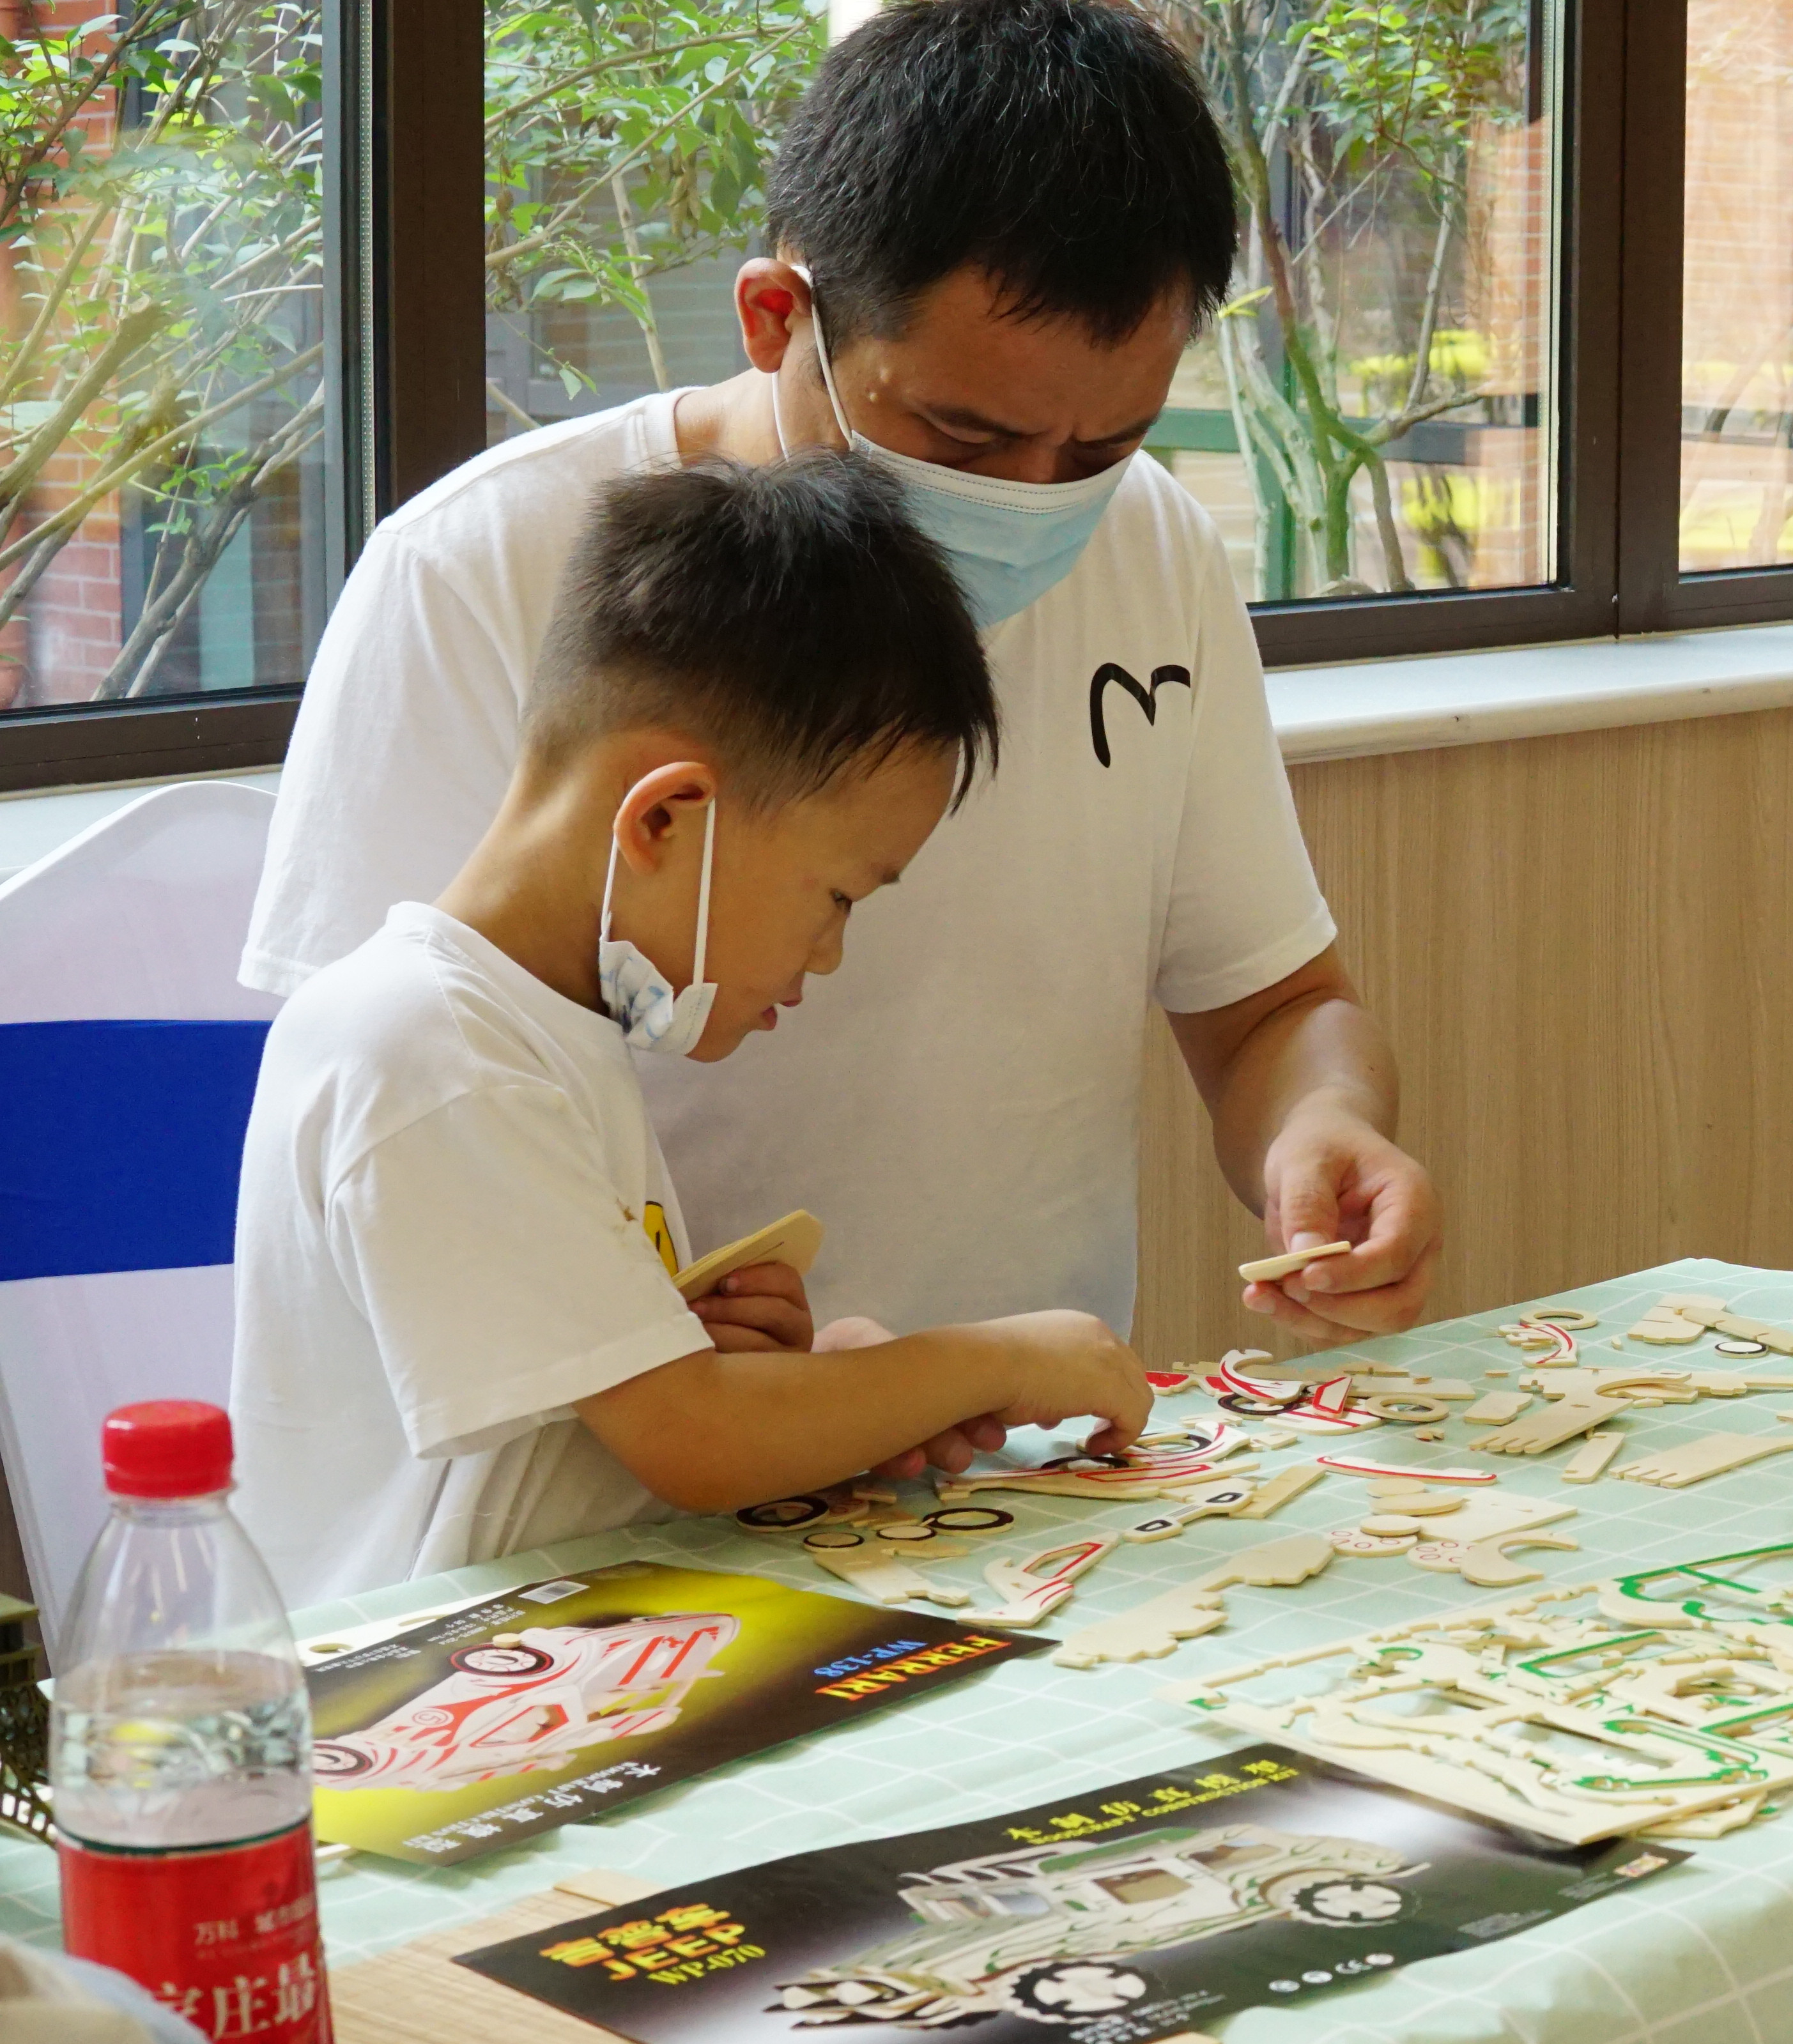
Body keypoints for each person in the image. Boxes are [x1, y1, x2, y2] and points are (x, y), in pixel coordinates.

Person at [241, 0, 1437, 1355]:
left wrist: (1322, 1127)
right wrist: (679, 1376)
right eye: (962, 438)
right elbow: (367, 1121)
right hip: (630, 1450)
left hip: (1022, 1447)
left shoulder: (1151, 549)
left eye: (1102, 448)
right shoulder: (485, 570)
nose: (1033, 500)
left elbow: (1274, 1006)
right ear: (777, 317)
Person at [231, 456, 1151, 1605]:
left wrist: (794, 1384)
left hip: (566, 1634)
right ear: (666, 816)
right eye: (839, 896)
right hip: (425, 1682)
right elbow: (695, 1441)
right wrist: (999, 1360)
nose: (830, 954)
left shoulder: (534, 1030)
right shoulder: (432, 1049)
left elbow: (642, 1419)